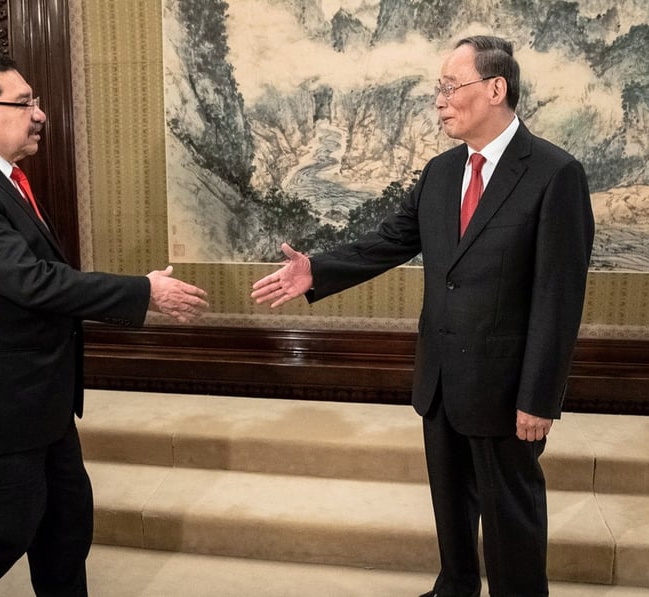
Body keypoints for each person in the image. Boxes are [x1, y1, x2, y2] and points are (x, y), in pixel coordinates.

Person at [252, 35, 594, 597]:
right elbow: (389, 241)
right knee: (451, 516)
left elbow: (560, 298)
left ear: (495, 88)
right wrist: (318, 269)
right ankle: (453, 589)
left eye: (449, 86)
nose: (438, 100)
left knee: (512, 522)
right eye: (438, 88)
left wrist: (541, 396)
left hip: (508, 391)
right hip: (440, 381)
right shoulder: (439, 173)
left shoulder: (555, 174)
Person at [0, 52, 208, 597]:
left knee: (66, 526)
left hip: (34, 396)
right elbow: (34, 281)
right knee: (3, 534)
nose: (40, 114)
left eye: (36, 101)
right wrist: (144, 292)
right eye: (24, 102)